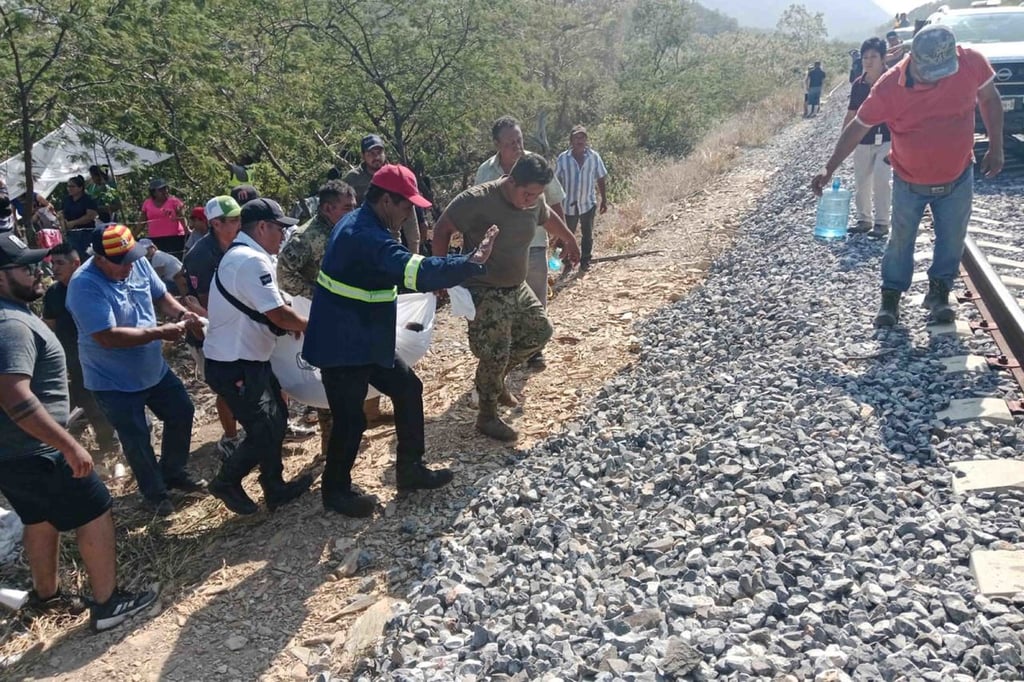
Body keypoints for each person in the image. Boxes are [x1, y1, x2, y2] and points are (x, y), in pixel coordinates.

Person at [303, 165, 500, 517]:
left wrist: (456, 266)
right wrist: (468, 262)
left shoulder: (363, 224)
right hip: (343, 345)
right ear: (385, 201)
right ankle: (335, 492)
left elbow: (396, 272)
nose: (410, 213)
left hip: (364, 339)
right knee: (350, 421)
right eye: (407, 205)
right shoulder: (365, 236)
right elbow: (414, 272)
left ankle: (410, 469)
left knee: (408, 388)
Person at [0, 233, 158, 631]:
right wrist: (68, 445)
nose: (38, 271)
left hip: (12, 452)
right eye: (25, 267)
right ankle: (108, 604)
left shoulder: (12, 314)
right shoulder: (10, 324)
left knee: (39, 518)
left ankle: (46, 597)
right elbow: (14, 395)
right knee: (96, 508)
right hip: (38, 448)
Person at [812, 24, 1004, 328]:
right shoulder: (889, 87)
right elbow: (858, 127)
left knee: (952, 238)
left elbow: (990, 99)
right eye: (932, 73)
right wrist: (830, 166)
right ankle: (890, 297)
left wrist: (996, 147)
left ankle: (939, 294)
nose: (939, 79)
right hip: (909, 180)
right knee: (900, 240)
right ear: (912, 58)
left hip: (958, 175)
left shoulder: (971, 62)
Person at [433, 154, 581, 442]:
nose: (530, 200)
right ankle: (486, 415)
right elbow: (442, 229)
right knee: (495, 351)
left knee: (540, 332)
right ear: (511, 181)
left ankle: (494, 379)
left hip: (516, 285)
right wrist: (440, 273)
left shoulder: (534, 200)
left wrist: (570, 239)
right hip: (484, 286)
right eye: (527, 194)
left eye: (536, 195)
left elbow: (547, 217)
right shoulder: (477, 200)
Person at [66, 224, 206, 516]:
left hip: (152, 367)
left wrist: (182, 313)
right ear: (99, 258)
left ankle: (173, 473)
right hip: (112, 379)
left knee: (181, 411)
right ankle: (155, 495)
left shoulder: (136, 261)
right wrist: (160, 333)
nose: (129, 266)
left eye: (131, 259)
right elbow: (107, 336)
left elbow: (160, 295)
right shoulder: (84, 285)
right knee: (136, 438)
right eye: (121, 263)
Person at [204, 198, 313, 515]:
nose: (283, 235)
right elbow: (278, 313)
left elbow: (271, 308)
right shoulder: (249, 261)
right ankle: (226, 480)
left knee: (276, 418)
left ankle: (274, 486)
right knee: (264, 428)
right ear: (262, 227)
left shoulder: (247, 256)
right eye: (280, 228)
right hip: (234, 363)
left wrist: (290, 322)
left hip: (249, 359)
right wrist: (310, 326)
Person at [276, 180, 362, 453]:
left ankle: (350, 434)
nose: (353, 211)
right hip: (324, 315)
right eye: (347, 207)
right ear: (327, 208)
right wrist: (319, 294)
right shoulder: (306, 238)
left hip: (350, 311)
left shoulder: (347, 228)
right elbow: (283, 275)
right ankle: (331, 443)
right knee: (331, 379)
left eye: (354, 206)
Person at [475, 116, 567, 370]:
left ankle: (535, 351)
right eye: (510, 143)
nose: (517, 146)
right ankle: (510, 348)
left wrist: (562, 235)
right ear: (497, 144)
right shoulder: (485, 172)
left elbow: (554, 200)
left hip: (534, 244)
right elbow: (478, 208)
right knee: (505, 300)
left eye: (519, 140)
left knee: (536, 297)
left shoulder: (536, 163)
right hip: (500, 251)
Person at [180, 196, 245, 459]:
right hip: (209, 330)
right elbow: (207, 304)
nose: (240, 224)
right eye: (234, 220)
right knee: (227, 387)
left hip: (240, 326)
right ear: (216, 224)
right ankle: (230, 438)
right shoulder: (200, 256)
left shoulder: (240, 243)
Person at [42, 243, 117, 452]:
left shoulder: (93, 286)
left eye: (60, 263)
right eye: (52, 263)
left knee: (113, 396)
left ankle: (123, 435)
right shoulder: (53, 293)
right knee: (87, 399)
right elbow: (49, 327)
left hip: (103, 354)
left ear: (76, 263)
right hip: (74, 358)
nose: (54, 268)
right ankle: (107, 442)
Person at [344, 135, 428, 254]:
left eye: (379, 152)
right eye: (371, 153)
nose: (376, 157)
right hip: (364, 234)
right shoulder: (352, 179)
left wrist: (414, 251)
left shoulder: (396, 174)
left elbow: (410, 213)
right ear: (363, 156)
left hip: (393, 233)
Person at [845, 38, 892, 239]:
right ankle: (864, 220)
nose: (869, 61)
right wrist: (844, 141)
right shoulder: (858, 85)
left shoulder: (893, 80)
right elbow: (851, 113)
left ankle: (882, 222)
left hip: (888, 139)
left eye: (874, 56)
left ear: (883, 58)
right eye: (865, 57)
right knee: (862, 181)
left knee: (882, 179)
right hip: (863, 140)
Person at [554, 124, 609, 273]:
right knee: (565, 234)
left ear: (586, 140)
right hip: (568, 205)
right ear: (571, 140)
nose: (579, 140)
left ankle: (585, 261)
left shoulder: (594, 157)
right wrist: (555, 203)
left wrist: (604, 199)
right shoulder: (563, 158)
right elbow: (555, 181)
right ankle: (566, 263)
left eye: (582, 137)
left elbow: (601, 177)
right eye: (576, 137)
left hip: (587, 203)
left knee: (587, 235)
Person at [140, 178, 187, 259]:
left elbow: (182, 217)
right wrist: (132, 236)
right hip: (155, 240)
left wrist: (187, 230)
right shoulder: (147, 203)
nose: (165, 191)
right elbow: (141, 223)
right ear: (154, 192)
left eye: (165, 188)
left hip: (174, 239)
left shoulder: (174, 201)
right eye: (161, 190)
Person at [60, 176, 99, 261]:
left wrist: (73, 223)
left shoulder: (88, 199)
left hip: (86, 233)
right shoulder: (66, 200)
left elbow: (91, 216)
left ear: (80, 188)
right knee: (74, 258)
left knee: (87, 257)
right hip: (71, 234)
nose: (69, 189)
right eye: (68, 186)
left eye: (72, 186)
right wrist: (63, 225)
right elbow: (61, 213)